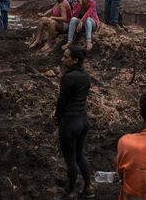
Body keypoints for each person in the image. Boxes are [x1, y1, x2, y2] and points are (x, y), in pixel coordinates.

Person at [54, 45, 94, 198]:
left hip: (70, 123)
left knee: (70, 160)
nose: (62, 59)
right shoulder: (86, 76)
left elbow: (62, 101)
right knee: (79, 155)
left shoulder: (69, 77)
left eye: (66, 57)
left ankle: (69, 190)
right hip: (83, 121)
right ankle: (88, 188)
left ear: (75, 60)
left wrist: (57, 118)